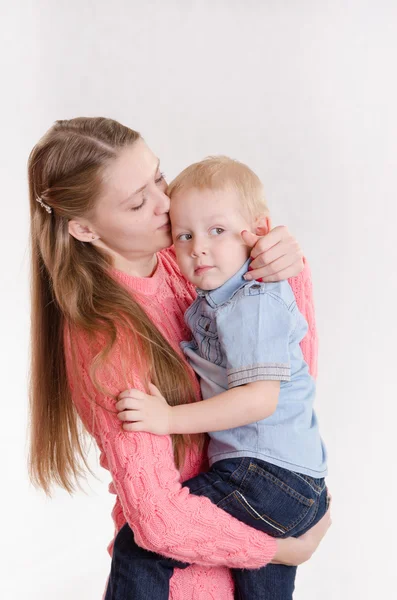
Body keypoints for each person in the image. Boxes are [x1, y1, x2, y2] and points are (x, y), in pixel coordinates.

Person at [28, 117, 331, 600]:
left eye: (158, 179)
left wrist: (282, 266)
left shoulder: (185, 256)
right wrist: (283, 550)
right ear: (84, 228)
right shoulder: (109, 341)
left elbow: (284, 374)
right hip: (184, 583)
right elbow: (158, 520)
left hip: (247, 514)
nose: (165, 205)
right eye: (137, 202)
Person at [114, 156, 329, 599]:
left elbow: (258, 401)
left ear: (257, 231)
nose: (199, 249)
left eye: (217, 231)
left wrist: (167, 419)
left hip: (265, 473)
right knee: (260, 585)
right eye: (185, 236)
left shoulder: (249, 301)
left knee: (141, 543)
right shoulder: (219, 297)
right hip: (292, 477)